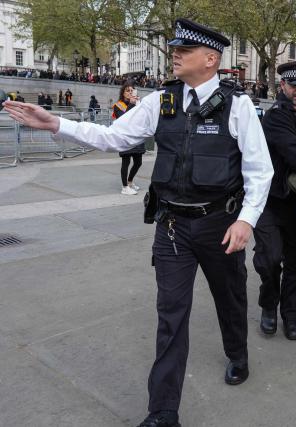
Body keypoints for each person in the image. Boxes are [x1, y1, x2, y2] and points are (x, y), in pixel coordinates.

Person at [3, 18, 274, 427]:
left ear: (211, 59)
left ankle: (238, 353)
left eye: (184, 50)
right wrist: (55, 123)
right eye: (175, 49)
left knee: (231, 300)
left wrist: (247, 222)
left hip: (221, 226)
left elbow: (260, 171)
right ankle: (163, 412)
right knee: (171, 316)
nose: (175, 55)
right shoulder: (160, 102)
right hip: (172, 229)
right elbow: (114, 137)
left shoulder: (237, 106)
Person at [253, 61, 296, 341]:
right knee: (269, 259)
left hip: (295, 203)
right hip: (270, 200)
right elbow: (295, 154)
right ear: (283, 86)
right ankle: (269, 307)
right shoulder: (277, 115)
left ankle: (291, 315)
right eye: (294, 86)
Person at [112, 82, 146, 195]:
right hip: (125, 137)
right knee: (125, 162)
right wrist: (131, 104)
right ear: (123, 93)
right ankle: (124, 187)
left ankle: (130, 181)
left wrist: (139, 104)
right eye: (127, 90)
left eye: (132, 90)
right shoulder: (118, 105)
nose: (130, 92)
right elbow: (124, 119)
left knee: (138, 162)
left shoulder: (136, 103)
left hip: (136, 136)